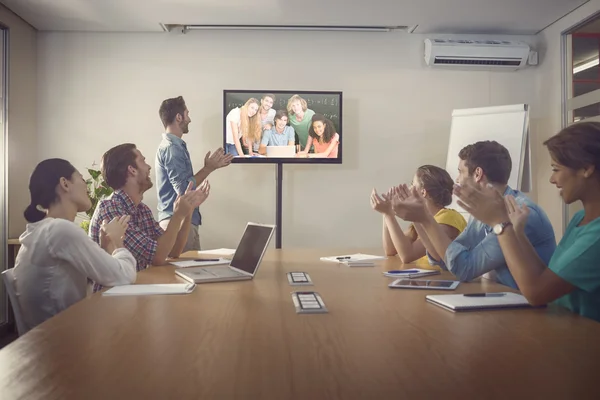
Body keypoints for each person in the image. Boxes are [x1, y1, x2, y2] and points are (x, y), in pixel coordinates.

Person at [453, 122, 600, 322]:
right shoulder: (579, 219)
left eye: (556, 169)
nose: (552, 179)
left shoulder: (596, 234)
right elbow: (544, 275)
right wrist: (517, 233)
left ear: (586, 169)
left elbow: (536, 293)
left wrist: (500, 223)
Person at [391, 141, 556, 289]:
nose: (457, 179)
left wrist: (424, 218)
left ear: (478, 174)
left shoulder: (521, 213)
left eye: (460, 172)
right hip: (501, 298)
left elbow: (465, 268)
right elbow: (444, 259)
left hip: (530, 310)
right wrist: (419, 217)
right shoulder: (483, 210)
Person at [13, 158, 137, 333]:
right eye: (81, 178)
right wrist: (118, 242)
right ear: (65, 183)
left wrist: (104, 247)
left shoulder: (48, 229)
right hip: (62, 344)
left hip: (58, 336)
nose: (86, 186)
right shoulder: (60, 230)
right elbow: (124, 277)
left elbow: (93, 279)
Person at [90, 143, 209, 291]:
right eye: (143, 161)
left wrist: (188, 210)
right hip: (112, 300)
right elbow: (158, 256)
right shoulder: (110, 209)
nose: (148, 167)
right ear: (132, 170)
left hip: (136, 291)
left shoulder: (142, 210)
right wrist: (177, 215)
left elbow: (173, 251)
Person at [156, 96, 233, 251]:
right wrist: (208, 168)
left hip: (180, 222)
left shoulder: (174, 146)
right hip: (178, 223)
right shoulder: (172, 148)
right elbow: (184, 190)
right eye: (187, 114)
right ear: (179, 117)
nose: (189, 119)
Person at [370, 165, 466, 267]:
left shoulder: (448, 218)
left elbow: (407, 255)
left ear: (423, 192)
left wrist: (389, 214)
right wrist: (387, 213)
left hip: (444, 280)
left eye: (412, 184)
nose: (409, 188)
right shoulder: (423, 218)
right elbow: (391, 250)